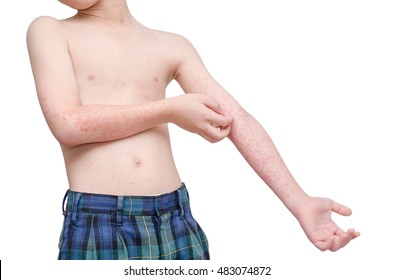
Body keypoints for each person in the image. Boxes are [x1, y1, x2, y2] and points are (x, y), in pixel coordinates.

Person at [26, 0, 360, 260]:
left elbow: (236, 118)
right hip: (100, 220)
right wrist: (169, 110)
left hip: (176, 219)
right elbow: (68, 123)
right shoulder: (50, 30)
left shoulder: (172, 45)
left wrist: (299, 202)